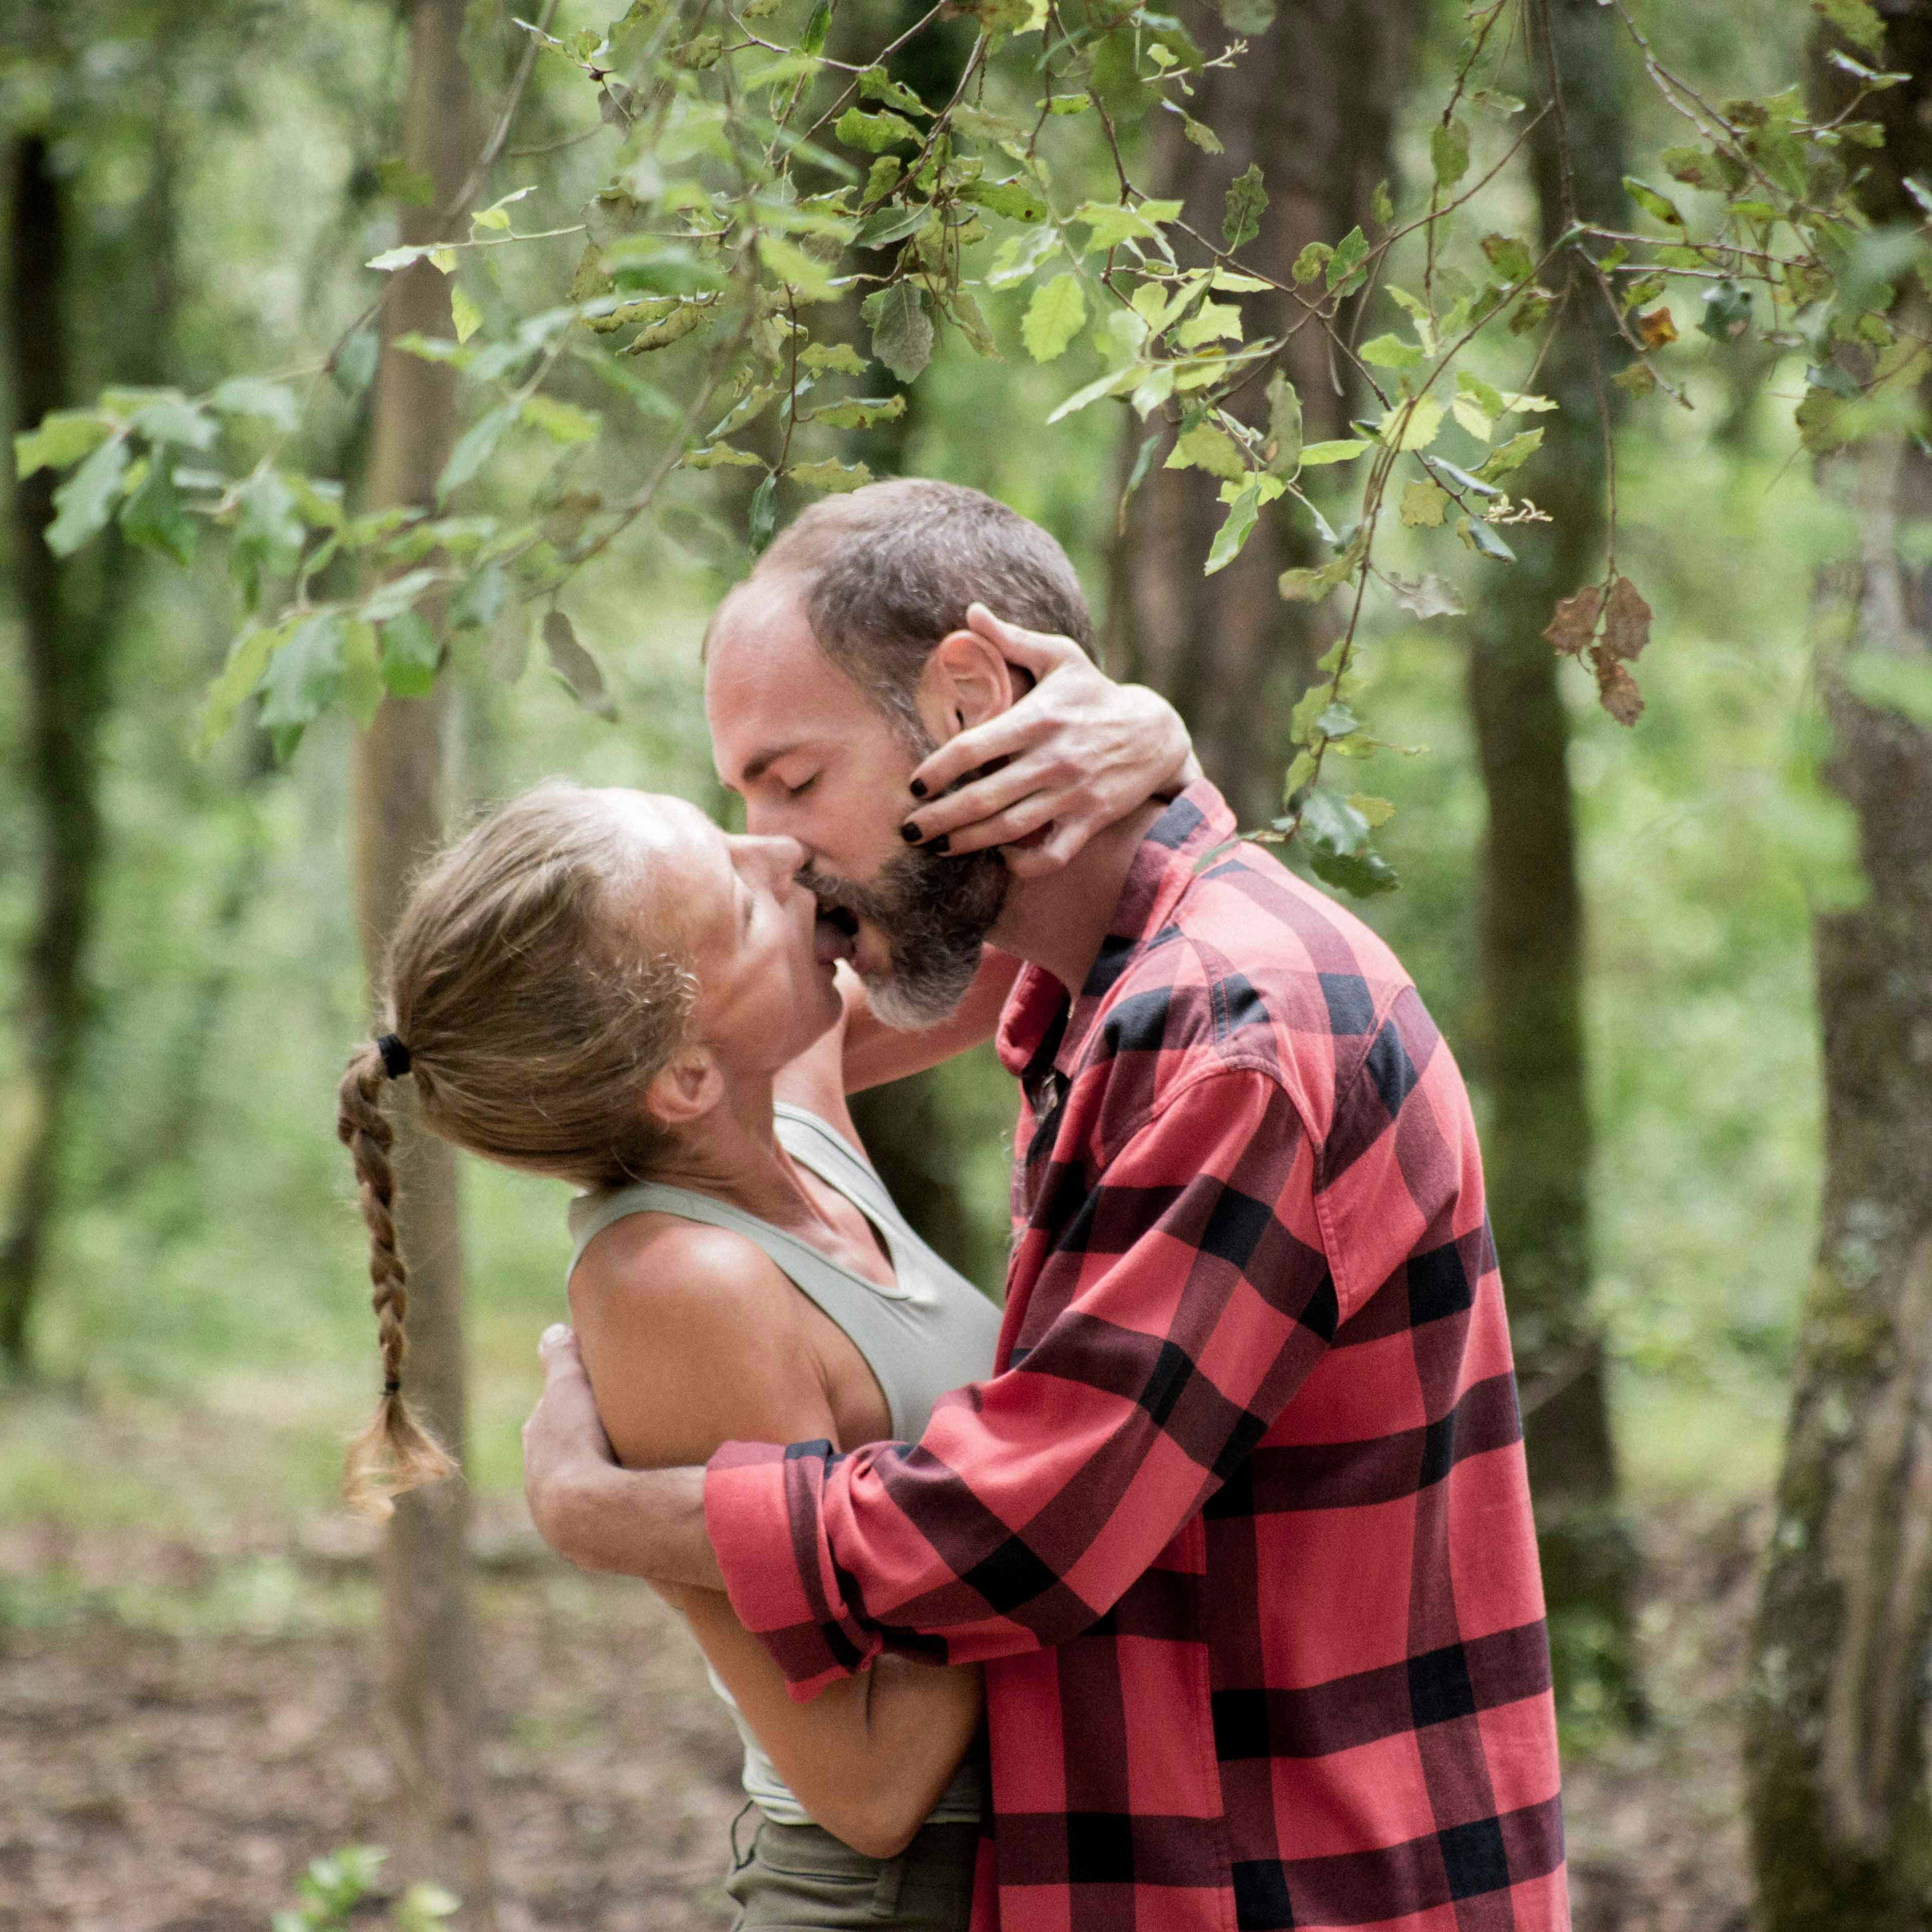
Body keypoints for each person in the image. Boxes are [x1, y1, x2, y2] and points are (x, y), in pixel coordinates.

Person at [521, 479, 1570, 1932]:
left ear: (968, 696)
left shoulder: (1232, 1035)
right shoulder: (1114, 991)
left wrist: (613, 1515)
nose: (770, 846)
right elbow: (706, 1058)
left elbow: (1029, 1533)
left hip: (1302, 1880)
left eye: (794, 780)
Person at [333, 653, 1194, 1925]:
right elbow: (873, 1779)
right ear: (682, 1080)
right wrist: (1036, 1468)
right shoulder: (681, 1283)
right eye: (736, 904)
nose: (782, 859)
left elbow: (1061, 935)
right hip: (904, 1895)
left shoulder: (785, 1099)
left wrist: (1145, 731)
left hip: (1048, 1860)